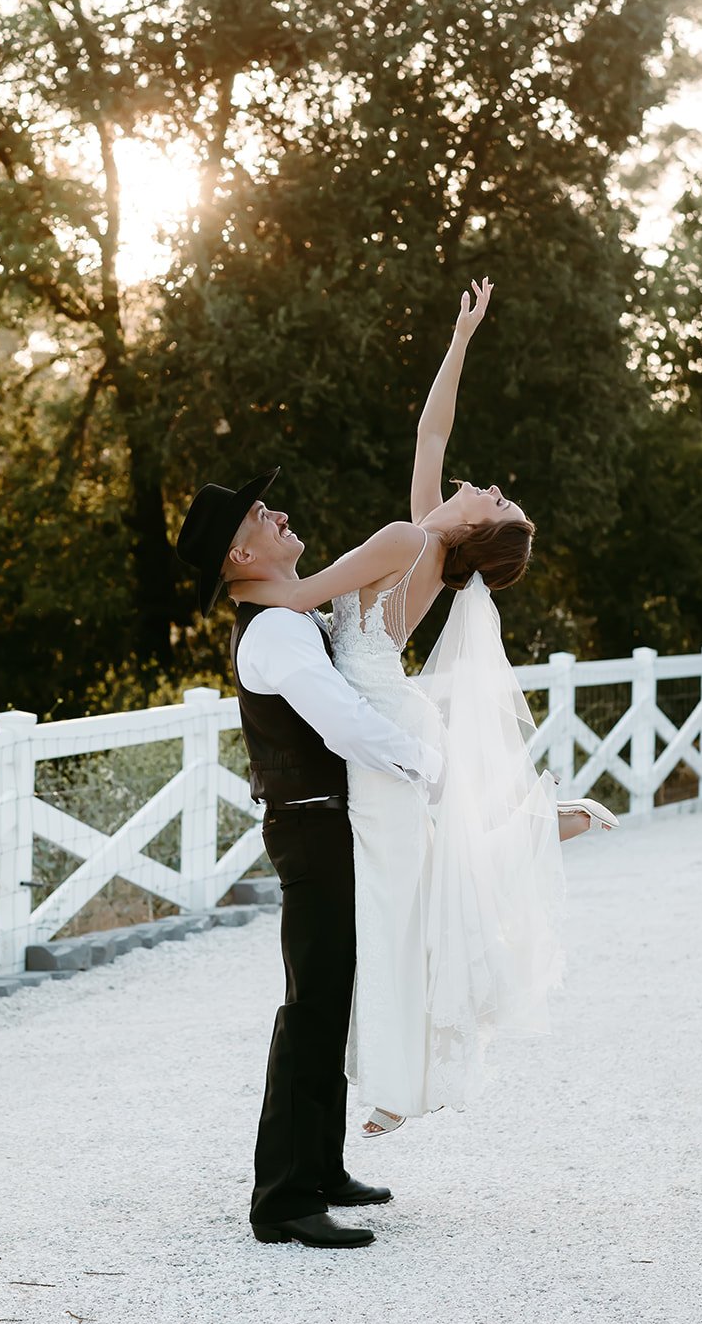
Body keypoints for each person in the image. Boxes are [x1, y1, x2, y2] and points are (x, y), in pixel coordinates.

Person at [229, 278, 616, 1137]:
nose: (490, 487)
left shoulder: (410, 542)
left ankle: (399, 1085)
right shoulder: (424, 546)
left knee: (401, 902)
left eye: (498, 501)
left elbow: (304, 600)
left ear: (475, 528)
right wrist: (462, 336)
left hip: (382, 726)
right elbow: (429, 430)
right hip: (396, 713)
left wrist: (245, 591)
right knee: (411, 891)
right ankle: (528, 831)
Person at [176, 467, 444, 1250]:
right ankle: (283, 1200)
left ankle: (321, 1169)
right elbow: (345, 726)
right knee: (312, 1004)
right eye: (261, 514)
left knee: (331, 991)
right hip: (312, 826)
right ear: (238, 559)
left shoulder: (289, 618)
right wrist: (432, 771)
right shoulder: (276, 631)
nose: (280, 512)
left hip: (334, 822)